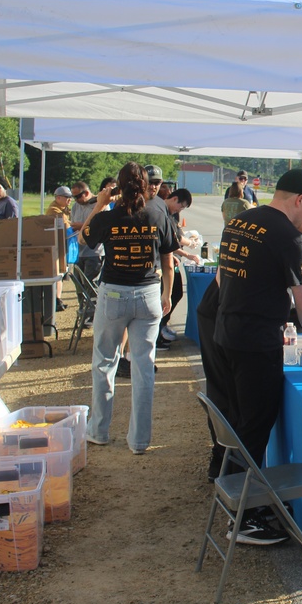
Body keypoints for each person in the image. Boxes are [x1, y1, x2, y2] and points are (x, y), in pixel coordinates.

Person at [208, 169, 302, 545]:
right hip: (255, 341)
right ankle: (243, 518)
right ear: (299, 200)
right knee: (254, 427)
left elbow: (220, 278)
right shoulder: (290, 237)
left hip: (224, 331)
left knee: (239, 422)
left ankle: (237, 499)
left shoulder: (240, 221)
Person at [81, 162, 178, 456]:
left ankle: (99, 430)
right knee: (143, 366)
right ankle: (139, 440)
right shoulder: (157, 213)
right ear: (148, 184)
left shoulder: (110, 216)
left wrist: (99, 204)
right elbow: (168, 259)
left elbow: (86, 235)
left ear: (118, 187)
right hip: (148, 292)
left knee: (104, 362)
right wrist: (168, 294)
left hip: (114, 293)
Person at [157, 189, 199, 348]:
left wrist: (184, 254)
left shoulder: (169, 214)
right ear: (174, 199)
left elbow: (172, 241)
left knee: (176, 293)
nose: (179, 211)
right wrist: (185, 250)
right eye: (180, 207)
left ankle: (162, 325)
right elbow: (174, 239)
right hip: (162, 264)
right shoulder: (160, 211)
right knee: (168, 295)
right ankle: (158, 332)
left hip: (170, 259)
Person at [70, 181, 103, 283]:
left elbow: (102, 227)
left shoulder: (101, 204)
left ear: (87, 193)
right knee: (79, 286)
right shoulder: (76, 206)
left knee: (90, 286)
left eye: (78, 196)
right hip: (78, 253)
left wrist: (82, 226)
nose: (76, 200)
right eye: (74, 197)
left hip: (94, 253)